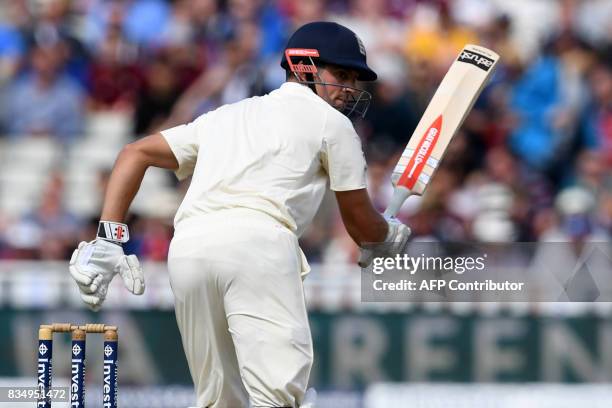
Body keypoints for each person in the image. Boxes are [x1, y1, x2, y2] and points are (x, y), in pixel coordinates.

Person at [68, 21, 410, 408]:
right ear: (303, 67)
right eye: (341, 74)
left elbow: (135, 153)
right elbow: (361, 224)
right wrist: (388, 236)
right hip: (259, 248)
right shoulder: (334, 125)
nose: (349, 89)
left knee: (218, 400)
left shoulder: (227, 115)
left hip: (189, 250)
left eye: (354, 78)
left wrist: (108, 239)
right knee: (276, 399)